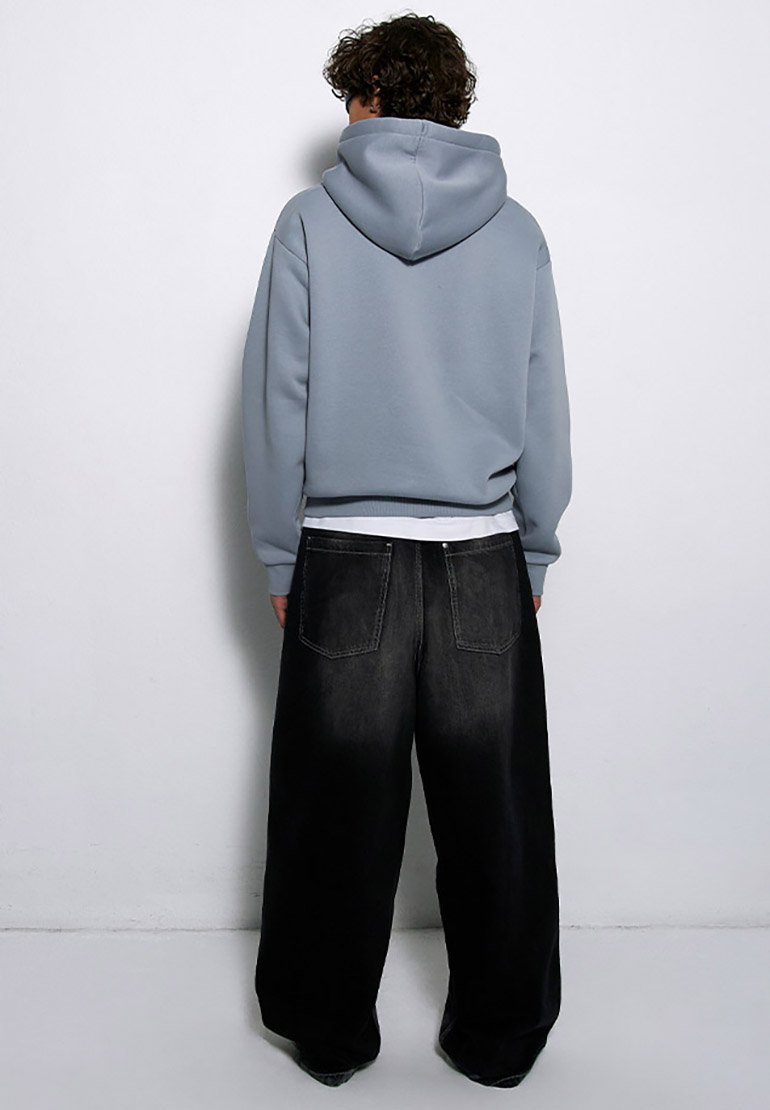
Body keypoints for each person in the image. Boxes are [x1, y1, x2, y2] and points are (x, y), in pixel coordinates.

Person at [240, 11, 572, 1089]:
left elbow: (277, 403)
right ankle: (500, 1041)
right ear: (454, 102)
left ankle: (328, 1035)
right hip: (481, 556)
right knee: (496, 818)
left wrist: (280, 556)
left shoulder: (308, 221)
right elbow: (542, 406)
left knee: (334, 813)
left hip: (344, 555)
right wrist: (533, 548)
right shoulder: (516, 231)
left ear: (366, 98)